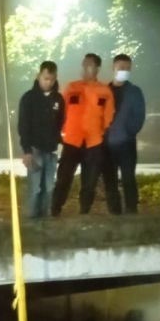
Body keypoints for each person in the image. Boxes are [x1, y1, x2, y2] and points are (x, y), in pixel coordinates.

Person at [51, 53, 114, 216]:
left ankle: (84, 212)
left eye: (90, 65)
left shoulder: (105, 91)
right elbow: (62, 112)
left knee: (89, 182)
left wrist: (102, 135)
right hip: (72, 140)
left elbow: (108, 117)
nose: (86, 68)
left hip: (94, 143)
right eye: (84, 65)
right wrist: (60, 133)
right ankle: (55, 209)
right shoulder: (72, 87)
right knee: (63, 178)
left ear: (97, 68)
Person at [18, 60, 65, 219]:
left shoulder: (58, 99)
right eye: (45, 78)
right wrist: (26, 150)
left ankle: (45, 218)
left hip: (51, 150)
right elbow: (23, 126)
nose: (48, 82)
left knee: (49, 187)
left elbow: (60, 123)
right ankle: (32, 219)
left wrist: (59, 144)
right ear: (38, 76)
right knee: (35, 188)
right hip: (34, 149)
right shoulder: (28, 98)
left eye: (52, 79)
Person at [103, 53, 146, 214]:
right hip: (106, 145)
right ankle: (114, 212)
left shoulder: (134, 91)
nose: (124, 71)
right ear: (113, 67)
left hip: (127, 144)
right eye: (121, 67)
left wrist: (128, 132)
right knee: (110, 180)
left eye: (127, 68)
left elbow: (139, 116)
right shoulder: (103, 90)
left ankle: (131, 210)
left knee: (128, 178)